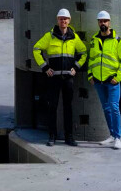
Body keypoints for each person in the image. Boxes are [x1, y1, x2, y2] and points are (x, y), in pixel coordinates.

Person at [33, 8, 87, 146]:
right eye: (61, 19)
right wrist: (45, 67)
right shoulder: (50, 36)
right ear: (58, 20)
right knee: (52, 107)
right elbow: (36, 49)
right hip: (54, 78)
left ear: (69, 21)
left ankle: (69, 137)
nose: (63, 21)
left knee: (68, 107)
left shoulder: (74, 37)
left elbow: (83, 52)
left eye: (65, 19)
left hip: (68, 78)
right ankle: (52, 136)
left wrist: (76, 67)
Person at [88, 10, 121, 149]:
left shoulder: (118, 40)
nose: (103, 23)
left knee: (114, 107)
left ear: (109, 22)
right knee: (106, 108)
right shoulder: (94, 40)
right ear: (98, 23)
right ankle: (111, 135)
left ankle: (118, 137)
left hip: (112, 80)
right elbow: (91, 59)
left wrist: (118, 77)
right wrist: (90, 75)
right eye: (100, 21)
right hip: (98, 81)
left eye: (105, 21)